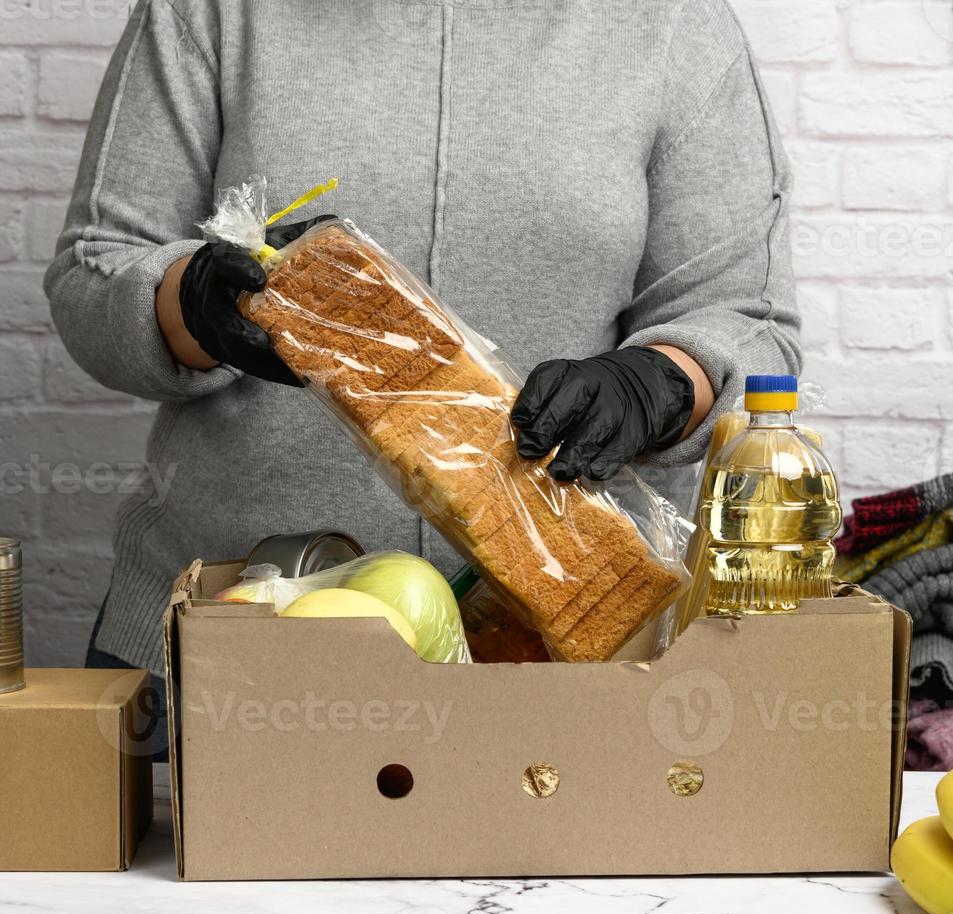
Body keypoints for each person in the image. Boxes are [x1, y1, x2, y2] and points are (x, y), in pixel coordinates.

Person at [46, 0, 801, 701]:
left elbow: (744, 314)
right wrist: (192, 304)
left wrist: (658, 383)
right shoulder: (214, 11)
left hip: (570, 668)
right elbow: (94, 270)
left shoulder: (671, 22)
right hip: (233, 636)